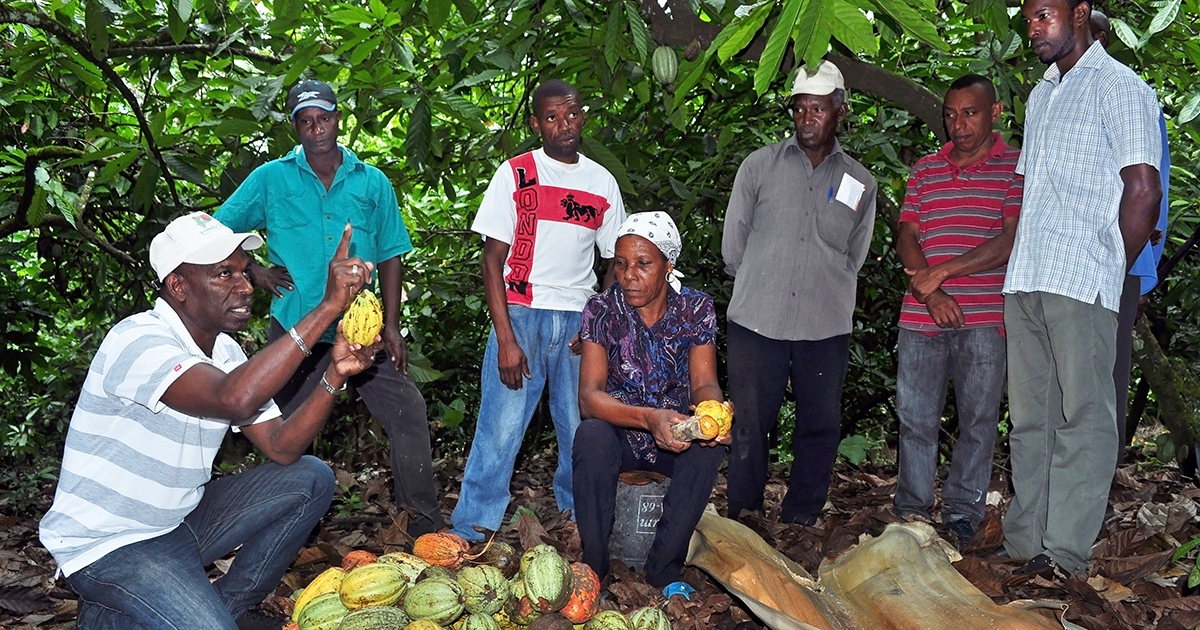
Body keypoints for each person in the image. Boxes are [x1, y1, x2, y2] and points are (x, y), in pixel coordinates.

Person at [39, 213, 378, 630]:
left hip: (179, 524)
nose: (245, 286)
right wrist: (328, 308)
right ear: (179, 286)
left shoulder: (226, 353)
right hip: (110, 544)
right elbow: (233, 399)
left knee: (311, 477)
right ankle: (115, 614)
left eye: (244, 271)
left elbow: (282, 445)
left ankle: (231, 606)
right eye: (224, 274)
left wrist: (335, 373)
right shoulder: (138, 339)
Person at [214, 80, 444, 536]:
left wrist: (393, 326)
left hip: (361, 331)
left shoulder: (372, 182)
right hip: (296, 328)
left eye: (324, 118)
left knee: (408, 410)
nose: (316, 129)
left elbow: (392, 252)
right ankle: (286, 531)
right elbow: (217, 232)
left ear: (338, 119)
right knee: (287, 431)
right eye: (305, 121)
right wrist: (255, 272)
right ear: (295, 127)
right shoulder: (270, 178)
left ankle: (424, 527)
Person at [1003, 0, 1162, 576]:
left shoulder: (1122, 88)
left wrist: (1108, 268)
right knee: (1030, 419)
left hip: (1081, 278)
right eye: (1028, 19)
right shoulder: (1041, 94)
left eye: (1043, 15)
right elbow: (1032, 193)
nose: (1034, 29)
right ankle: (1025, 544)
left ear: (1079, 13)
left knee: (1086, 417)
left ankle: (1063, 551)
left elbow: (1143, 191)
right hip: (1027, 278)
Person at [450, 80, 626, 541]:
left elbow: (614, 263)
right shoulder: (516, 173)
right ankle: (473, 529)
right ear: (535, 123)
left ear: (583, 115)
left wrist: (596, 323)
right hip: (521, 313)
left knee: (578, 427)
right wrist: (506, 339)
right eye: (551, 117)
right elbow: (491, 259)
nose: (563, 125)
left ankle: (578, 519)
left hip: (576, 321)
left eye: (571, 115)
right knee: (500, 427)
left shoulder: (601, 183)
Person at [723, 60, 877, 526]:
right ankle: (744, 519)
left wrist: (820, 285)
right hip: (757, 319)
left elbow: (855, 255)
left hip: (824, 323)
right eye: (800, 108)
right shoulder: (759, 166)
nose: (808, 118)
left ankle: (801, 518)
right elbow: (734, 245)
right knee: (751, 426)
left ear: (840, 112)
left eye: (819, 109)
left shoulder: (860, 182)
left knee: (820, 427)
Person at [892, 75, 1022, 545]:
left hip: (985, 318)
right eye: (950, 114)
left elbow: (1010, 241)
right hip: (921, 316)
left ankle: (964, 511)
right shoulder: (926, 169)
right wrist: (931, 293)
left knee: (979, 420)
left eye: (969, 112)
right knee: (915, 418)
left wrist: (942, 273)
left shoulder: (1015, 168)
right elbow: (907, 235)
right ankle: (912, 511)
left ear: (995, 113)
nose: (958, 124)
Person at [573, 212, 729, 589]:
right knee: (591, 435)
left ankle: (664, 570)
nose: (629, 275)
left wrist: (714, 411)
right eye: (621, 264)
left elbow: (704, 383)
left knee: (708, 449)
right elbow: (589, 398)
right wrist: (649, 419)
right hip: (624, 437)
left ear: (668, 265)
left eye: (644, 264)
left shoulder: (695, 309)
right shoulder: (602, 310)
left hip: (674, 435)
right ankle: (595, 569)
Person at [1089, 9, 1171, 464]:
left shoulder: (1131, 98)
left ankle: (1104, 469)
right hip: (1074, 260)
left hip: (1120, 261)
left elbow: (1153, 189)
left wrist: (1141, 271)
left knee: (1111, 368)